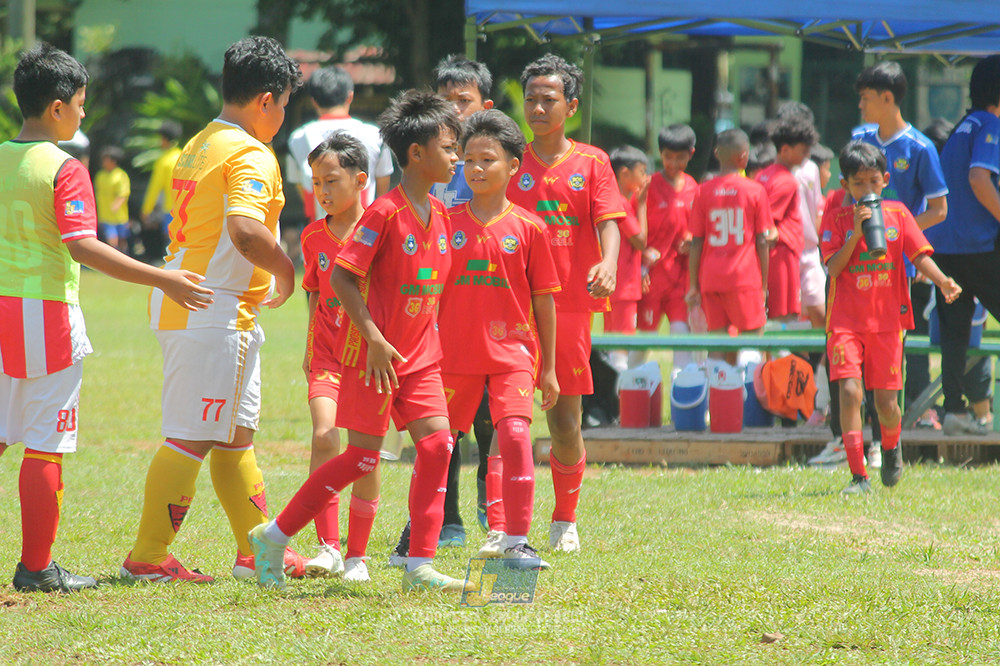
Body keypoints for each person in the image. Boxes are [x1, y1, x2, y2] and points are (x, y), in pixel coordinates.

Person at [0, 43, 211, 592]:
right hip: (45, 312)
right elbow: (83, 248)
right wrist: (163, 277)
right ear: (56, 108)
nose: (84, 113)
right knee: (45, 442)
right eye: (80, 103)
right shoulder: (64, 168)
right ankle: (37, 568)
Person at [249, 89, 470, 592]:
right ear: (417, 153)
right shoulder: (384, 214)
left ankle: (420, 565)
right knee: (362, 458)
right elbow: (344, 279)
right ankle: (277, 535)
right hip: (374, 360)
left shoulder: (439, 215)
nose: (455, 157)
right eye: (449, 147)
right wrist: (371, 337)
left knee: (438, 446)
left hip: (419, 360)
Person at [120, 36, 304, 583]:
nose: (283, 116)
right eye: (285, 104)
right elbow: (246, 231)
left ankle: (256, 551)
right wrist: (288, 268)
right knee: (193, 435)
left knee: (233, 435)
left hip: (203, 305)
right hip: (210, 307)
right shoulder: (250, 151)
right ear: (266, 99)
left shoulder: (202, 142)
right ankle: (148, 558)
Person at [506, 54, 624, 553]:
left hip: (570, 304)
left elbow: (609, 221)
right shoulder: (510, 160)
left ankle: (564, 519)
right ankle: (504, 524)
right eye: (531, 98)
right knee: (507, 417)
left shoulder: (592, 161)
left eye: (548, 99)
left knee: (563, 420)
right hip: (511, 306)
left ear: (570, 106)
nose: (537, 106)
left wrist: (610, 262)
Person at [387, 55, 499, 564]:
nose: (454, 109)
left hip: (486, 302)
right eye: (446, 99)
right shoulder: (428, 157)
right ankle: (445, 518)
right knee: (443, 422)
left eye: (464, 100)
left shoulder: (490, 153)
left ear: (484, 105)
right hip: (435, 307)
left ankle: (490, 506)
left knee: (490, 417)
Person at [438, 109, 560, 568]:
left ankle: (516, 543)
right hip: (453, 354)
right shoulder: (445, 223)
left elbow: (545, 300)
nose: (476, 168)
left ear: (514, 165)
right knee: (437, 446)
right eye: (468, 159)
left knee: (513, 432)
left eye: (487, 159)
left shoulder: (529, 228)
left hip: (512, 354)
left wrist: (547, 365)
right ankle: (420, 542)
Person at [820, 141, 960, 494]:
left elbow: (918, 253)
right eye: (858, 183)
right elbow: (833, 268)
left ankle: (891, 444)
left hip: (887, 323)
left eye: (872, 182)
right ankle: (858, 475)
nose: (866, 190)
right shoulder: (835, 216)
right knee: (850, 392)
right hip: (845, 322)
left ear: (885, 179)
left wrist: (943, 280)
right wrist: (854, 233)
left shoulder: (898, 214)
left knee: (885, 403)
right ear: (844, 185)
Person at [298, 132, 381, 582]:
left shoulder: (382, 229)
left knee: (365, 454)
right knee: (326, 436)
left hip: (370, 359)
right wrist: (309, 350)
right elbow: (313, 294)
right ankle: (327, 546)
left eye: (331, 180)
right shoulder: (313, 237)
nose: (323, 192)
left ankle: (357, 555)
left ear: (361, 179)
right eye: (315, 184)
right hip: (328, 354)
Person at [924, 54, 1000, 437]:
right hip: (977, 245)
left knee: (954, 334)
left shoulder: (961, 127)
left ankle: (953, 410)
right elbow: (979, 179)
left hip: (944, 247)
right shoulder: (990, 124)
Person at [686, 129, 773, 366]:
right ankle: (751, 401)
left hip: (711, 277)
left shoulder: (702, 191)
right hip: (744, 278)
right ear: (743, 157)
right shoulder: (755, 190)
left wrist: (694, 284)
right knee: (753, 343)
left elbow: (696, 241)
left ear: (716, 154)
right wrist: (764, 285)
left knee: (717, 347)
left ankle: (718, 401)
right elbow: (762, 240)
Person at [286, 65, 393, 219]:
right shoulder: (375, 135)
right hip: (365, 229)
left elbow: (300, 185)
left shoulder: (297, 138)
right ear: (350, 97)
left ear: (314, 101)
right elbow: (383, 184)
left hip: (319, 228)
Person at [638, 124, 697, 369]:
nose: (673, 163)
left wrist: (692, 239)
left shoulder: (695, 188)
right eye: (667, 157)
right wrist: (640, 266)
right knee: (643, 344)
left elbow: (700, 227)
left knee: (682, 340)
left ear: (691, 154)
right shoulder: (647, 187)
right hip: (651, 279)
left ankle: (684, 398)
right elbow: (632, 230)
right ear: (660, 154)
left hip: (680, 280)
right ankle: (629, 396)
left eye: (680, 158)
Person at [755, 116, 818, 323]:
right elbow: (765, 224)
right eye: (803, 150)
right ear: (785, 150)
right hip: (781, 254)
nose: (807, 156)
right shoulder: (787, 181)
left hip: (770, 255)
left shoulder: (762, 175)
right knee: (785, 317)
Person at [606, 145, 649, 370]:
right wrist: (641, 204)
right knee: (623, 340)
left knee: (612, 339)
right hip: (624, 284)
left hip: (613, 283)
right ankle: (620, 389)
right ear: (625, 174)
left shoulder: (610, 198)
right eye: (641, 172)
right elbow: (640, 240)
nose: (645, 178)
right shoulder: (622, 202)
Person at [139, 120, 183, 263]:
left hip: (169, 209)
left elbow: (155, 188)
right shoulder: (183, 156)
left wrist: (147, 209)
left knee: (169, 241)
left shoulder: (163, 161)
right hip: (186, 206)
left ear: (165, 139)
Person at [94, 145, 131, 254]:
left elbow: (124, 194)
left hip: (120, 216)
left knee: (122, 240)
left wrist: (116, 205)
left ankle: (124, 257)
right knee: (112, 240)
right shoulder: (100, 176)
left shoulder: (121, 175)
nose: (103, 162)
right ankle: (114, 258)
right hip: (106, 216)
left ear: (113, 161)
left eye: (106, 159)